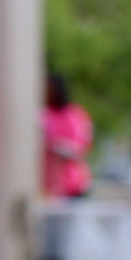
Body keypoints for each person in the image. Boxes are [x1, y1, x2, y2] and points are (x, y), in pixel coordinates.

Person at [43, 72, 94, 201]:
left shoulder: (75, 115)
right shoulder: (44, 113)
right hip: (47, 186)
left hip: (73, 185)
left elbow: (82, 148)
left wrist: (58, 146)